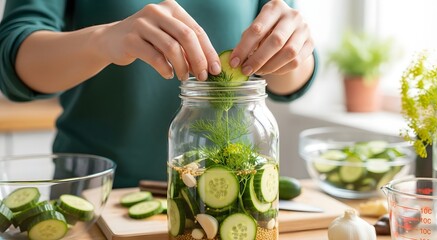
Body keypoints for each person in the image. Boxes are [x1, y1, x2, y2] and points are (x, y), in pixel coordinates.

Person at [0, 0, 317, 188]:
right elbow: (11, 58)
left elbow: (291, 81)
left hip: (233, 187)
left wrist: (292, 50)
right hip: (98, 194)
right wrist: (103, 40)